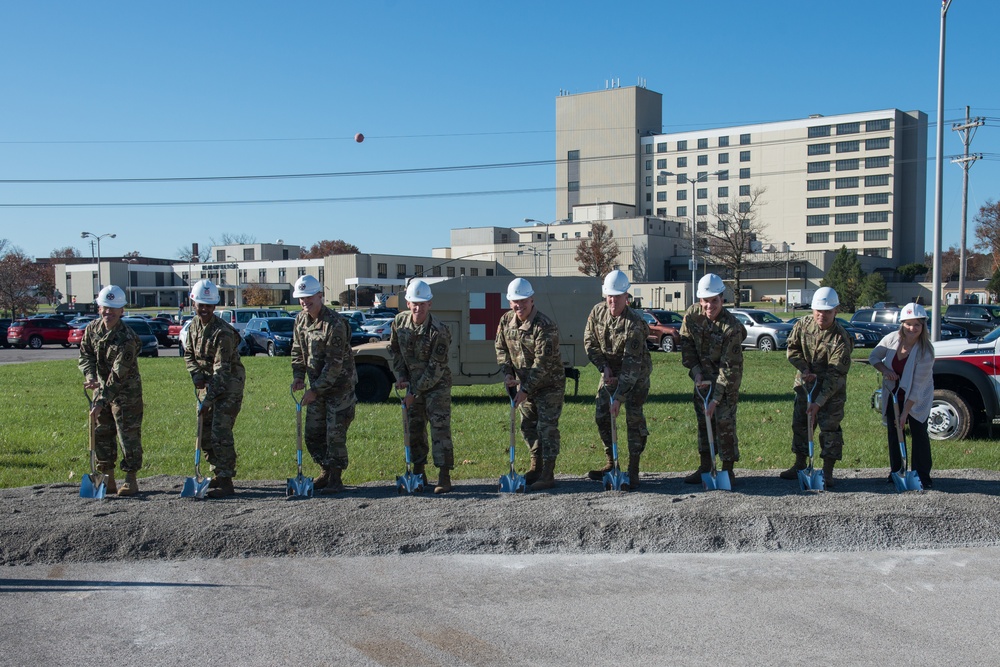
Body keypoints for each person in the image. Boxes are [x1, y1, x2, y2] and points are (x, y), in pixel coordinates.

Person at [584, 270, 652, 489]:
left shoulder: (635, 324)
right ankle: (611, 461)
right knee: (601, 415)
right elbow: (590, 343)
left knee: (633, 420)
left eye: (617, 296)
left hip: (635, 375)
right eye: (609, 296)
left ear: (626, 296)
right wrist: (603, 367)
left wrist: (619, 397)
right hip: (609, 372)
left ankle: (633, 469)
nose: (612, 301)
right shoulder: (597, 312)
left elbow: (632, 365)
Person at [494, 277, 564, 491]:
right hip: (525, 385)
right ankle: (536, 466)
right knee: (527, 427)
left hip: (549, 385)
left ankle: (548, 473)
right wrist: (508, 374)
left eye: (523, 301)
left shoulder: (545, 326)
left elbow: (542, 363)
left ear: (532, 300)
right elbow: (501, 349)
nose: (519, 305)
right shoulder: (506, 321)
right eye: (515, 301)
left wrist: (524, 389)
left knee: (546, 428)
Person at [290, 275, 357, 494]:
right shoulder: (300, 320)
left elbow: (334, 365)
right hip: (316, 388)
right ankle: (325, 472)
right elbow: (297, 351)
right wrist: (299, 376)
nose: (304, 302)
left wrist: (315, 390)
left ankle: (336, 479)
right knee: (312, 434)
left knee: (334, 435)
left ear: (320, 296)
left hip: (339, 389)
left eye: (309, 297)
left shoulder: (335, 324)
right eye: (301, 298)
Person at [781, 286, 853, 486]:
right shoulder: (803, 325)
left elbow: (835, 376)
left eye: (827, 312)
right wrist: (804, 369)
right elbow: (792, 349)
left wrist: (819, 402)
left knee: (830, 430)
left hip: (832, 391)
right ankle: (800, 464)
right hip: (806, 385)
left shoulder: (841, 338)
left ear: (836, 311)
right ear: (812, 310)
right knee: (801, 425)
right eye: (818, 311)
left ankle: (827, 472)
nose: (822, 315)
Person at [389, 279, 454, 494]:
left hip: (437, 386)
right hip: (412, 385)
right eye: (414, 304)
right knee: (414, 428)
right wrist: (401, 376)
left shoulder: (439, 331)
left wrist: (415, 392)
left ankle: (444, 476)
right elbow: (395, 351)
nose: (418, 308)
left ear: (430, 304)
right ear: (408, 304)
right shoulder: (399, 323)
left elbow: (436, 368)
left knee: (439, 429)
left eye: (423, 304)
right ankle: (418, 472)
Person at [679, 274, 746, 484]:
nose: (710, 306)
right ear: (700, 300)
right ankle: (705, 466)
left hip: (726, 380)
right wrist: (696, 372)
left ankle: (727, 469)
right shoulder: (691, 316)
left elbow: (729, 368)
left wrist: (716, 399)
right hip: (702, 380)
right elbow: (686, 344)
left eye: (714, 301)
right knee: (703, 422)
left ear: (722, 299)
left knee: (724, 423)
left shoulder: (731, 328)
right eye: (705, 301)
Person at [78, 285, 144, 497]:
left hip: (126, 393)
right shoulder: (92, 329)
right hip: (100, 388)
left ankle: (131, 480)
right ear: (99, 308)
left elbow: (117, 376)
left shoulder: (127, 338)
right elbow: (85, 355)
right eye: (105, 308)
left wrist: (100, 402)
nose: (109, 312)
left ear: (122, 311)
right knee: (102, 432)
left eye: (113, 309)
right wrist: (90, 376)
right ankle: (107, 479)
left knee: (128, 435)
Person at [184, 279, 246, 498]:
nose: (204, 309)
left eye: (208, 305)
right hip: (207, 385)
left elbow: (222, 372)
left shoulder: (224, 334)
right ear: (194, 303)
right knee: (205, 432)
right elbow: (189, 355)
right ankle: (217, 472)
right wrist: (196, 376)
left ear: (215, 306)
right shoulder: (193, 326)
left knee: (220, 431)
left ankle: (227, 480)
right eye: (201, 304)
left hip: (228, 386)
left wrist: (208, 400)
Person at [869, 302, 935, 488]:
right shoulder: (891, 339)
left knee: (918, 431)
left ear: (923, 326)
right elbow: (874, 357)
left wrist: (905, 413)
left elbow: (916, 388)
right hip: (893, 393)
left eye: (916, 324)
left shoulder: (926, 351)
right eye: (908, 323)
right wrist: (885, 370)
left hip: (917, 396)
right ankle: (897, 470)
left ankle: (922, 475)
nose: (912, 328)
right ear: (902, 324)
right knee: (894, 431)